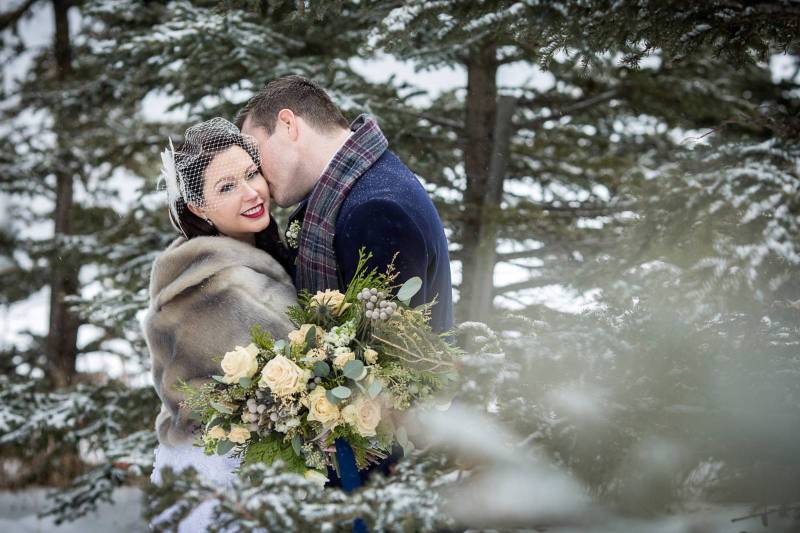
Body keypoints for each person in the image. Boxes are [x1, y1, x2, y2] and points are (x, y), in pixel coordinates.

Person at [236, 75, 454, 530]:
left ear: (289, 124)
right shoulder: (360, 187)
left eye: (255, 155)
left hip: (378, 485)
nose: (255, 178)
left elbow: (387, 370)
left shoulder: (374, 207)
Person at [143, 118, 297, 532]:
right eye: (226, 187)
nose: (251, 193)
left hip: (219, 470)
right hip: (221, 479)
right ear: (198, 208)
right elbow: (301, 373)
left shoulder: (217, 261)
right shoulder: (219, 289)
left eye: (251, 174)